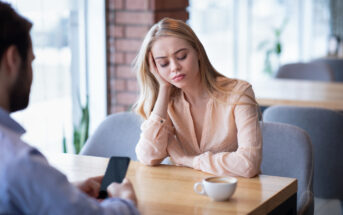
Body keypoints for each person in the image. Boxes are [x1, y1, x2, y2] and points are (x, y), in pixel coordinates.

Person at [0, 2, 139, 214]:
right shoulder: (21, 163)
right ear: (12, 59)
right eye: (31, 61)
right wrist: (126, 199)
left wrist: (61, 194)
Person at [134, 18, 262, 178]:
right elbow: (147, 156)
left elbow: (248, 164)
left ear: (198, 53)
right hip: (184, 194)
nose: (174, 68)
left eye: (181, 56)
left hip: (234, 194)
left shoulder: (239, 93)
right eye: (164, 64)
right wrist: (164, 88)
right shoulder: (166, 102)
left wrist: (187, 160)